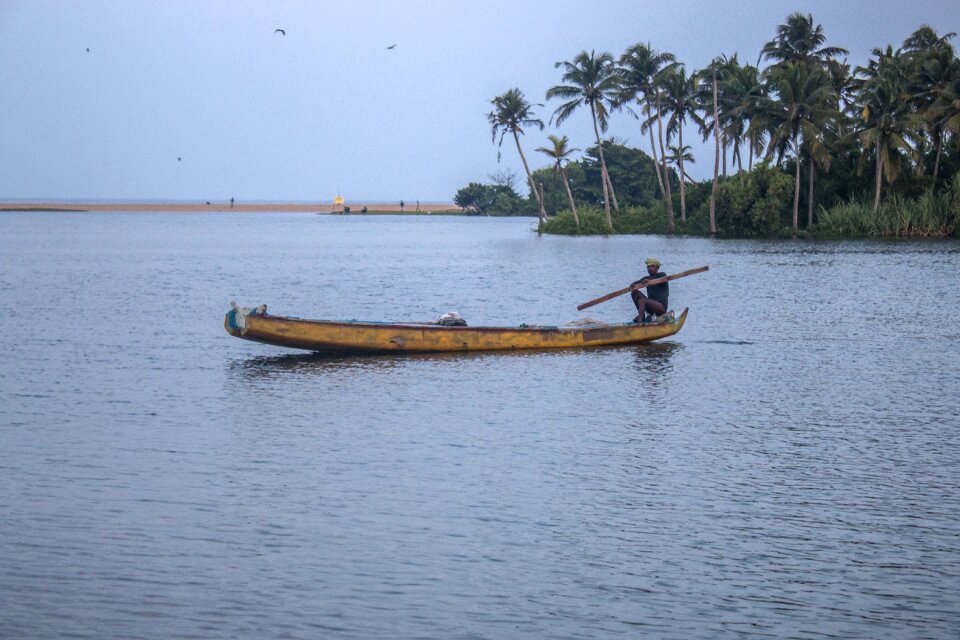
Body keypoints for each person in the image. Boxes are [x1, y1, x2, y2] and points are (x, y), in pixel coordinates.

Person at [630, 257, 668, 322]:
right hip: (651, 307)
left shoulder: (662, 275)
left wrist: (649, 281)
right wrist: (633, 284)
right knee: (634, 292)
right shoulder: (646, 278)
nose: (650, 268)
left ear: (657, 268)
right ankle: (642, 316)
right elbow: (636, 283)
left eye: (653, 266)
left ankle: (640, 321)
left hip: (661, 307)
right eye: (648, 267)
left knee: (642, 300)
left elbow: (659, 279)